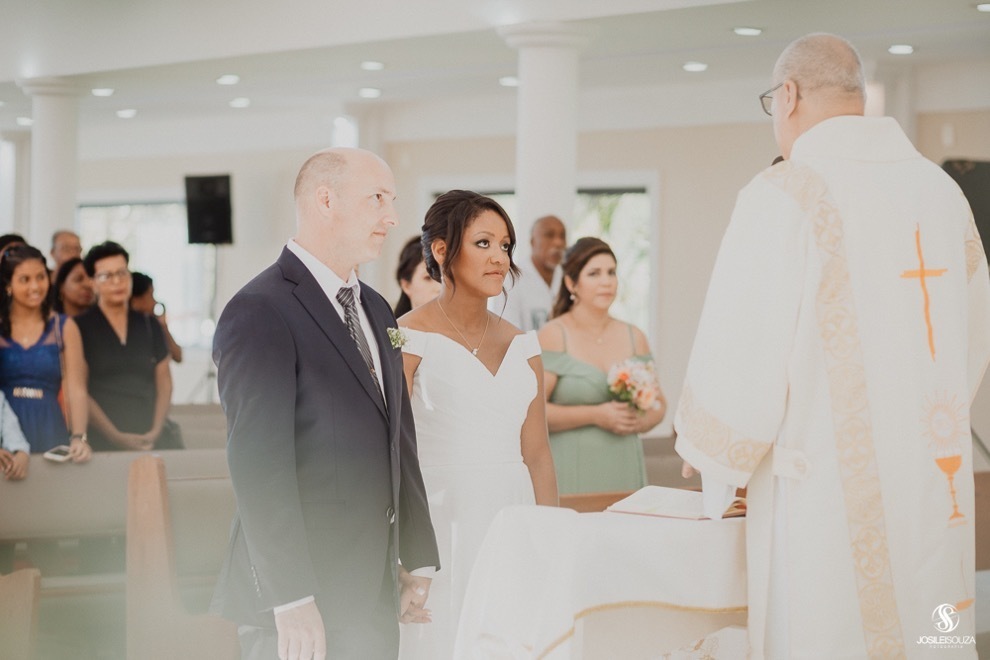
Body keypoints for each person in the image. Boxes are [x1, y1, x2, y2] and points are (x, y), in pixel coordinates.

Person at [674, 33, 990, 658]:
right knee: (936, 629)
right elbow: (972, 333)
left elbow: (745, 340)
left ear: (786, 96)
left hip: (825, 494)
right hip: (936, 483)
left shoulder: (786, 192)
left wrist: (714, 449)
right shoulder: (941, 193)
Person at [209, 147, 439, 660]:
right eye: (377, 198)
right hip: (300, 598)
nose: (392, 216)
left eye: (393, 199)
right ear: (326, 200)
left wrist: (415, 557)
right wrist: (290, 596)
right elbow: (258, 466)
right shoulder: (259, 310)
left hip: (373, 585)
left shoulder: (377, 308)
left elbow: (398, 437)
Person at [397, 190, 558, 658]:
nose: (499, 258)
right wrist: (403, 557)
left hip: (514, 517)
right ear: (443, 250)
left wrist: (549, 537)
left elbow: (538, 453)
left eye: (505, 246)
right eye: (483, 243)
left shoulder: (525, 344)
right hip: (440, 522)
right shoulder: (406, 335)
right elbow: (392, 452)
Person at [537, 237, 665, 494]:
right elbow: (535, 413)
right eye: (594, 273)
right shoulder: (554, 334)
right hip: (571, 472)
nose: (606, 281)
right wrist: (596, 415)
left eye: (611, 272)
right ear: (572, 283)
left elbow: (659, 405)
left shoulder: (634, 336)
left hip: (624, 466)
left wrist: (638, 421)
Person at [75, 242, 173, 452]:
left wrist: (155, 430)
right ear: (92, 283)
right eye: (106, 276)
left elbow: (164, 382)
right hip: (102, 440)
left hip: (149, 434)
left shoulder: (149, 324)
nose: (117, 282)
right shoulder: (79, 326)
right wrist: (115, 436)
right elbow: (78, 389)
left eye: (122, 273)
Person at [0, 245, 90, 459]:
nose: (35, 286)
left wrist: (79, 437)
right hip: (5, 428)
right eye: (25, 279)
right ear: (8, 285)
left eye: (41, 277)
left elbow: (76, 388)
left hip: (49, 422)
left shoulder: (64, 327)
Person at [488, 214, 566, 330]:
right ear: (533, 242)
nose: (558, 243)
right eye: (549, 235)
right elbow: (507, 333)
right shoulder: (511, 280)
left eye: (562, 236)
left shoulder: (569, 278)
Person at [130, 272, 183, 363]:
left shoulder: (152, 325)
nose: (154, 302)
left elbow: (178, 356)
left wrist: (164, 325)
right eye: (150, 295)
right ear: (136, 299)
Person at [393, 235, 441, 317]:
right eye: (428, 278)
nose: (439, 287)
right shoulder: (383, 327)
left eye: (444, 277)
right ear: (406, 285)